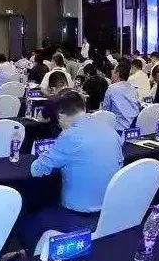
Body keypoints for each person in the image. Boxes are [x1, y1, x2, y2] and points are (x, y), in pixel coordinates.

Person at [25, 91, 123, 240]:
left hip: (77, 213)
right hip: (107, 211)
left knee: (27, 222)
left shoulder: (70, 136)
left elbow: (37, 170)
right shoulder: (110, 130)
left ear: (61, 115)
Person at [100, 58, 140, 130]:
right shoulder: (133, 88)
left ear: (117, 73)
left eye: (113, 72)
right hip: (133, 127)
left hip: (118, 129)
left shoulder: (111, 88)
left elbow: (106, 112)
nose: (112, 74)